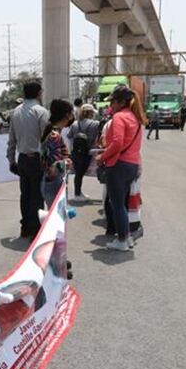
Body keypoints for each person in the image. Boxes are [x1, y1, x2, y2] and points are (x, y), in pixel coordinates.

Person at [100, 86, 145, 251]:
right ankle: (126, 238)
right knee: (122, 204)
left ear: (120, 102)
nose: (111, 105)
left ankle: (122, 240)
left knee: (116, 204)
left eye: (112, 101)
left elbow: (117, 142)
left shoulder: (119, 117)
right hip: (132, 165)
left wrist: (102, 156)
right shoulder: (135, 117)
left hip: (118, 165)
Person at [6, 82, 50, 238]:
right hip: (37, 159)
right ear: (39, 93)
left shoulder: (16, 112)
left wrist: (11, 160)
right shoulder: (41, 112)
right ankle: (37, 231)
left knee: (25, 195)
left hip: (22, 159)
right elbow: (47, 140)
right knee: (37, 196)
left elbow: (11, 139)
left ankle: (25, 227)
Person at [40, 99, 74, 207]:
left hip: (51, 183)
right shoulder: (54, 135)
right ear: (67, 115)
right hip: (54, 184)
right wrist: (65, 163)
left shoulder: (52, 132)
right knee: (57, 220)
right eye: (72, 112)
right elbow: (52, 168)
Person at [70, 104, 100, 203]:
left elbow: (69, 135)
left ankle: (78, 193)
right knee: (80, 173)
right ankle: (77, 194)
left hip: (75, 152)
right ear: (91, 113)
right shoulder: (95, 124)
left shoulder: (74, 124)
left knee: (79, 173)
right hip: (88, 152)